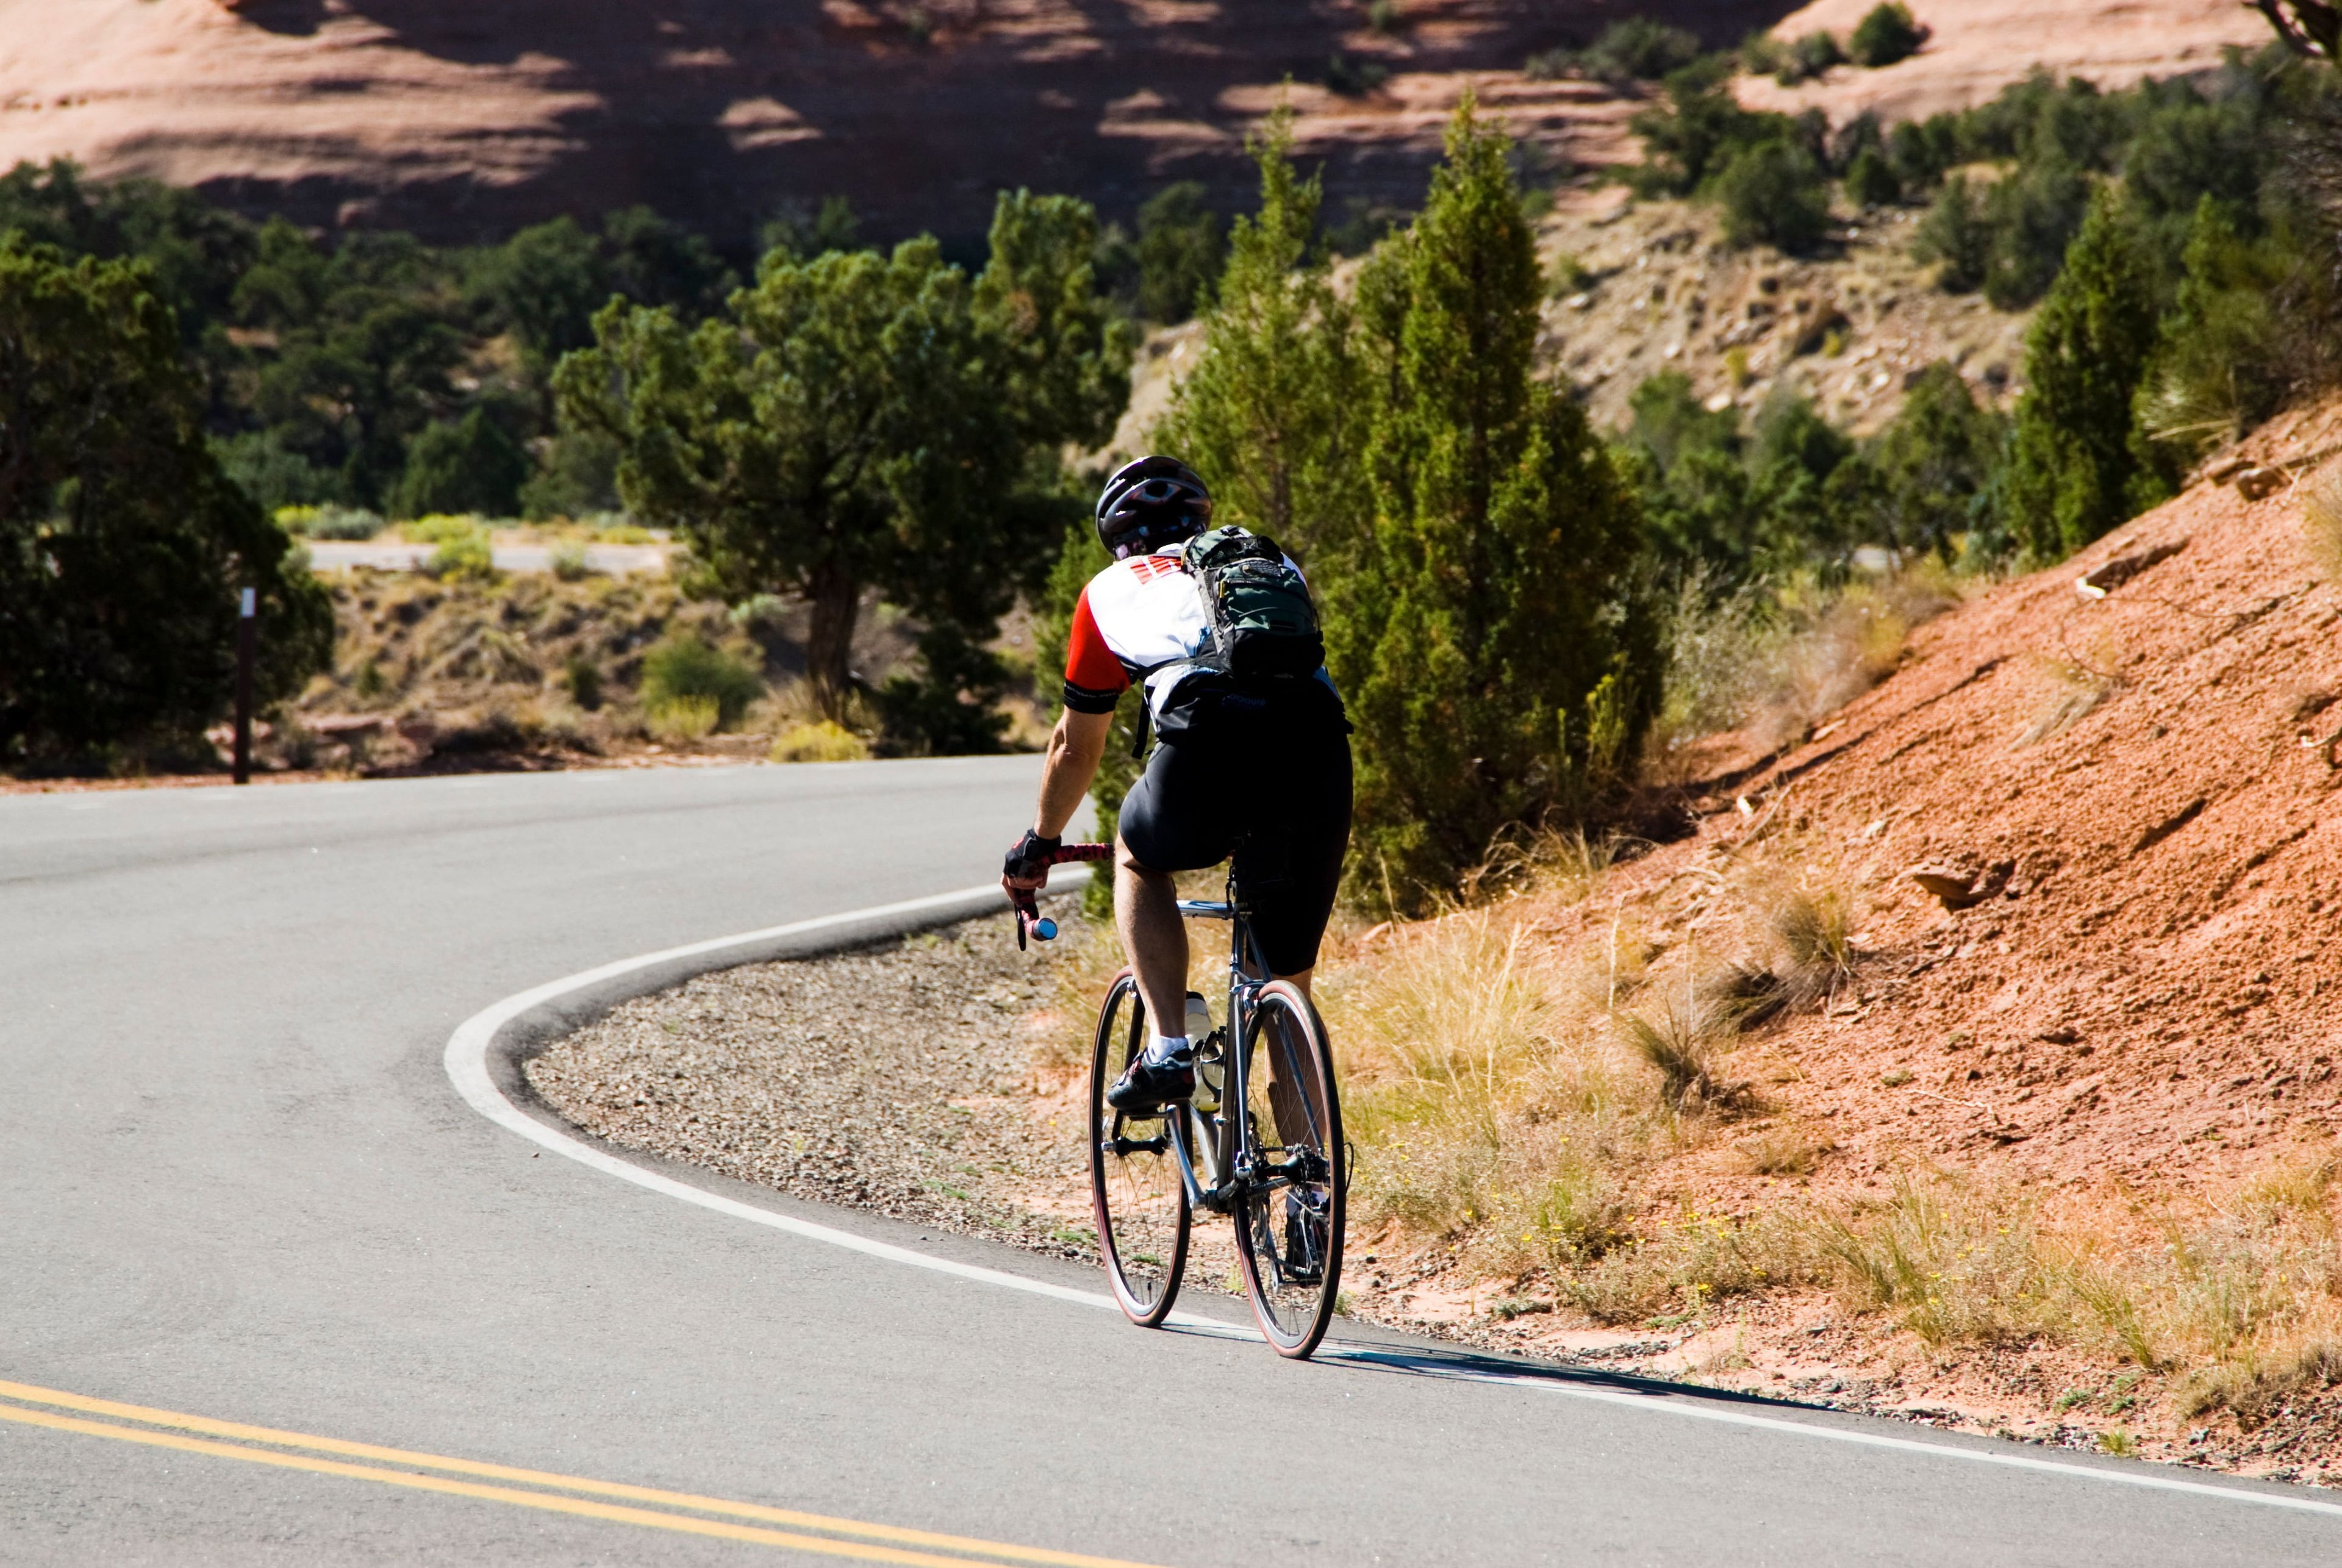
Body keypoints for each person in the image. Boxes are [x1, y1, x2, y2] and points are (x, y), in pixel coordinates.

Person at [1001, 454, 1352, 1112]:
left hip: (1211, 742)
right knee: (1288, 990)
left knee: (1137, 855)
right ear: (1200, 519)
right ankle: (1313, 1190)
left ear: (1117, 537)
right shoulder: (1268, 565)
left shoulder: (1110, 589)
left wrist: (1040, 842)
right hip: (1319, 752)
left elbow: (1076, 748)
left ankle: (1168, 1049)